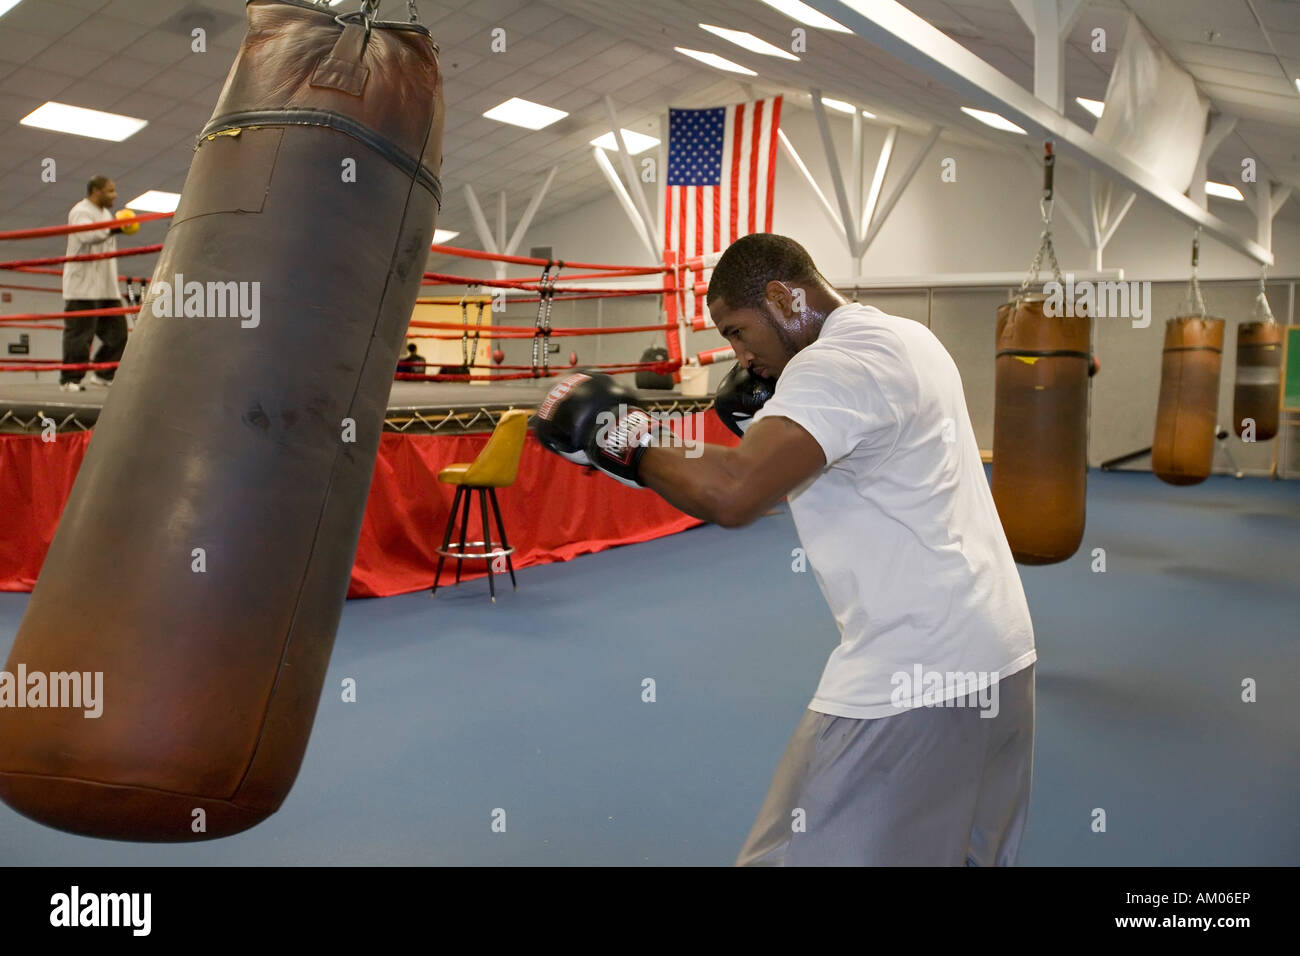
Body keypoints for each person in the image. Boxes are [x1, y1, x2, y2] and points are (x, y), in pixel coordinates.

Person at [532, 233, 1037, 866]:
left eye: (739, 331)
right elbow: (788, 477)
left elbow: (735, 493)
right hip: (1000, 657)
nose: (738, 355)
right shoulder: (910, 338)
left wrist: (620, 435)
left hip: (916, 677)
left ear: (783, 297)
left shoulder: (835, 363)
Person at [60, 176, 127, 392]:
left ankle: (102, 374)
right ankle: (70, 380)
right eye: (110, 191)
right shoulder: (80, 211)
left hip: (106, 288)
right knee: (80, 336)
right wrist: (116, 228)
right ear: (96, 191)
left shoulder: (105, 214)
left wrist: (115, 226)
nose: (115, 195)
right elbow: (88, 236)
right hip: (83, 288)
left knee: (119, 334)